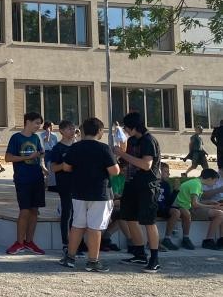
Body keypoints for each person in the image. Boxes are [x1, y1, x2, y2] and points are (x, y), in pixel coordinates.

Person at [59, 117, 121, 272]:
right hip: (100, 192)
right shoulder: (104, 148)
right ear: (100, 131)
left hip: (78, 192)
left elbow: (66, 167)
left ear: (84, 130)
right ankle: (93, 261)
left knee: (77, 225)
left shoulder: (75, 147)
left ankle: (70, 258)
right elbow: (115, 171)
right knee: (95, 227)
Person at [113, 111, 164, 272]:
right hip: (131, 184)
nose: (126, 131)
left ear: (134, 127)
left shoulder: (149, 140)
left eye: (127, 127)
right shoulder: (132, 140)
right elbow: (125, 161)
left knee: (148, 221)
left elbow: (146, 164)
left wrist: (122, 154)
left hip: (147, 185)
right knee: (129, 218)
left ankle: (154, 258)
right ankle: (139, 253)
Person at [4, 112, 46, 256]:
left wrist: (42, 162)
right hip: (23, 179)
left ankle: (30, 241)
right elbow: (8, 157)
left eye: (39, 123)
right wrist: (27, 157)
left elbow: (39, 155)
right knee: (25, 210)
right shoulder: (16, 138)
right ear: (27, 122)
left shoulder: (36, 138)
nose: (38, 126)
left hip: (37, 177)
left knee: (35, 210)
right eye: (36, 123)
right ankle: (19, 242)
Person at [162, 169, 223, 250]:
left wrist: (210, 202)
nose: (215, 183)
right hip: (184, 207)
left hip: (186, 207)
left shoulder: (196, 182)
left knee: (219, 212)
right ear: (209, 179)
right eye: (215, 181)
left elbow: (195, 201)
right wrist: (213, 207)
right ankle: (208, 240)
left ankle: (193, 239)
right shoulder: (196, 185)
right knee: (219, 213)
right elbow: (195, 204)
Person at [47, 120, 78, 254]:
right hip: (65, 184)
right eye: (69, 129)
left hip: (79, 184)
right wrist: (64, 166)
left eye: (73, 128)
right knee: (67, 212)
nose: (72, 131)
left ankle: (78, 243)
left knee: (78, 214)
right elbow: (53, 167)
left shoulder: (77, 147)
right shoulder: (58, 148)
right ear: (62, 131)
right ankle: (66, 243)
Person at [40, 121, 59, 190]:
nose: (53, 127)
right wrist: (48, 133)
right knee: (46, 168)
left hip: (53, 152)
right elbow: (46, 140)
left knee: (52, 168)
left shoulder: (55, 135)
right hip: (46, 152)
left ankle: (51, 184)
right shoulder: (42, 134)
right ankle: (45, 184)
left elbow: (56, 144)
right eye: (51, 126)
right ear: (47, 126)